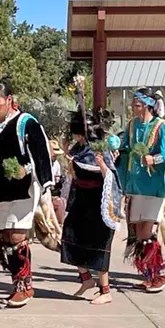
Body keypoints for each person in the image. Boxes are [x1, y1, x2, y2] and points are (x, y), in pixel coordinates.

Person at [0, 82, 53, 308]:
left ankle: (24, 285)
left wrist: (29, 172)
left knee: (17, 236)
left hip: (23, 188)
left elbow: (41, 155)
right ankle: (17, 282)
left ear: (9, 100)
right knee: (4, 238)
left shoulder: (26, 123)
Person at [116, 88, 165, 293]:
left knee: (147, 231)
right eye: (133, 104)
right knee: (139, 232)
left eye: (137, 105)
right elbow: (125, 148)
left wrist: (155, 159)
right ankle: (149, 273)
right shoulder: (131, 126)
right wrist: (117, 153)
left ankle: (160, 274)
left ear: (147, 105)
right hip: (135, 185)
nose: (133, 108)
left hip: (154, 187)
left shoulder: (161, 126)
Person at [61, 110, 122, 305]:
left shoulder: (99, 149)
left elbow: (112, 177)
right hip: (81, 200)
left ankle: (106, 290)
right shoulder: (78, 148)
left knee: (99, 244)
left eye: (78, 133)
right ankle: (86, 279)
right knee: (70, 237)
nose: (76, 137)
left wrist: (102, 165)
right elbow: (75, 167)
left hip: (98, 202)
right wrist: (66, 152)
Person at [49, 139, 66, 224]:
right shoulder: (42, 163)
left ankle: (59, 224)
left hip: (53, 191)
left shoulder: (56, 164)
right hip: (43, 192)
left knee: (62, 201)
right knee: (58, 203)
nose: (55, 157)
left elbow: (57, 178)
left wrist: (59, 181)